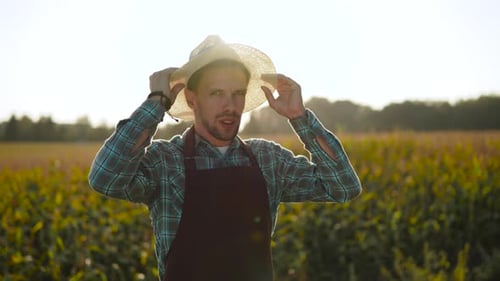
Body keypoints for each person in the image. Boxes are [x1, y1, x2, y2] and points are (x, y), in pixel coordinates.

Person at [88, 35, 362, 281]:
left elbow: (342, 187)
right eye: (217, 93)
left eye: (238, 94)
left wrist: (300, 118)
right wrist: (156, 102)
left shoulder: (268, 159)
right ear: (192, 98)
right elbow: (105, 177)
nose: (230, 106)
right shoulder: (165, 163)